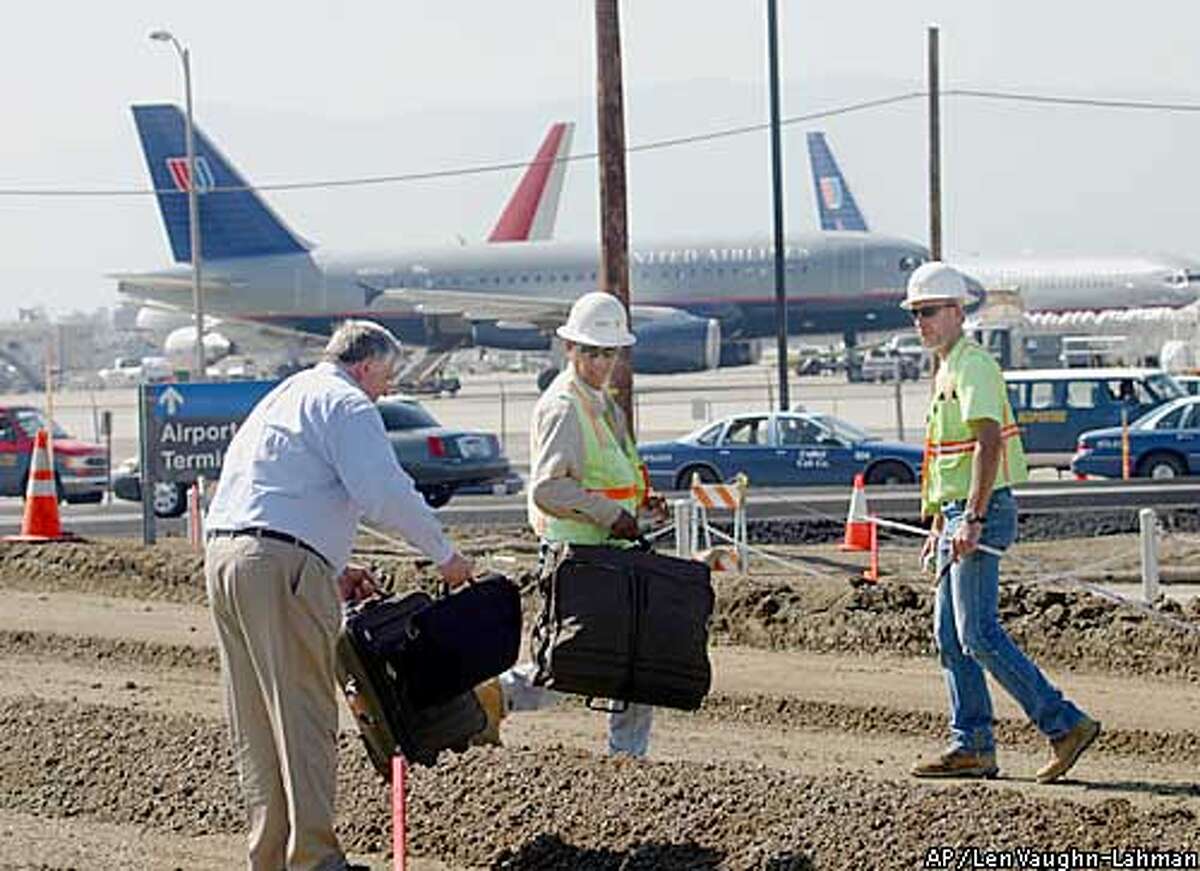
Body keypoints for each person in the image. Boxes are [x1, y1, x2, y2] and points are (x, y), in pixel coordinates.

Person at [204, 320, 473, 871]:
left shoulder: (288, 394)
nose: (386, 390)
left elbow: (274, 492)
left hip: (226, 558)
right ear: (367, 365)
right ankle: (316, 861)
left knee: (255, 722)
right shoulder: (348, 404)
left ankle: (271, 857)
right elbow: (383, 493)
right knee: (304, 713)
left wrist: (330, 564)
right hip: (278, 565)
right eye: (387, 377)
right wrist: (445, 556)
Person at [905, 262, 1100, 783]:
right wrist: (938, 524)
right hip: (956, 516)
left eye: (928, 312)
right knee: (950, 636)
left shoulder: (972, 366)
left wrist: (971, 517)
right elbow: (950, 458)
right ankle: (972, 745)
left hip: (979, 514)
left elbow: (988, 445)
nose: (920, 323)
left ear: (956, 312)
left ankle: (1065, 724)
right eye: (915, 314)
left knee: (978, 633)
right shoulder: (947, 368)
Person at [494, 291, 667, 757]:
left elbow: (608, 478)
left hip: (611, 557)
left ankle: (628, 762)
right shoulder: (564, 406)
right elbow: (548, 489)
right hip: (580, 559)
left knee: (632, 664)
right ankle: (487, 700)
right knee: (571, 668)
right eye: (590, 351)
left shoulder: (602, 404)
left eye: (607, 352)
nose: (600, 362)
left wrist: (642, 506)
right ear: (569, 348)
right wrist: (614, 517)